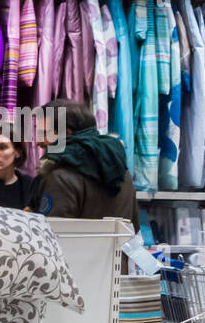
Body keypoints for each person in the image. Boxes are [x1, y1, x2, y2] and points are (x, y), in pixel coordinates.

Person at [27, 98, 139, 231]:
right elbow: (134, 228)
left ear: (66, 133)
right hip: (118, 251)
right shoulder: (121, 171)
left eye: (44, 133)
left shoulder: (60, 178)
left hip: (74, 252)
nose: (37, 142)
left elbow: (52, 237)